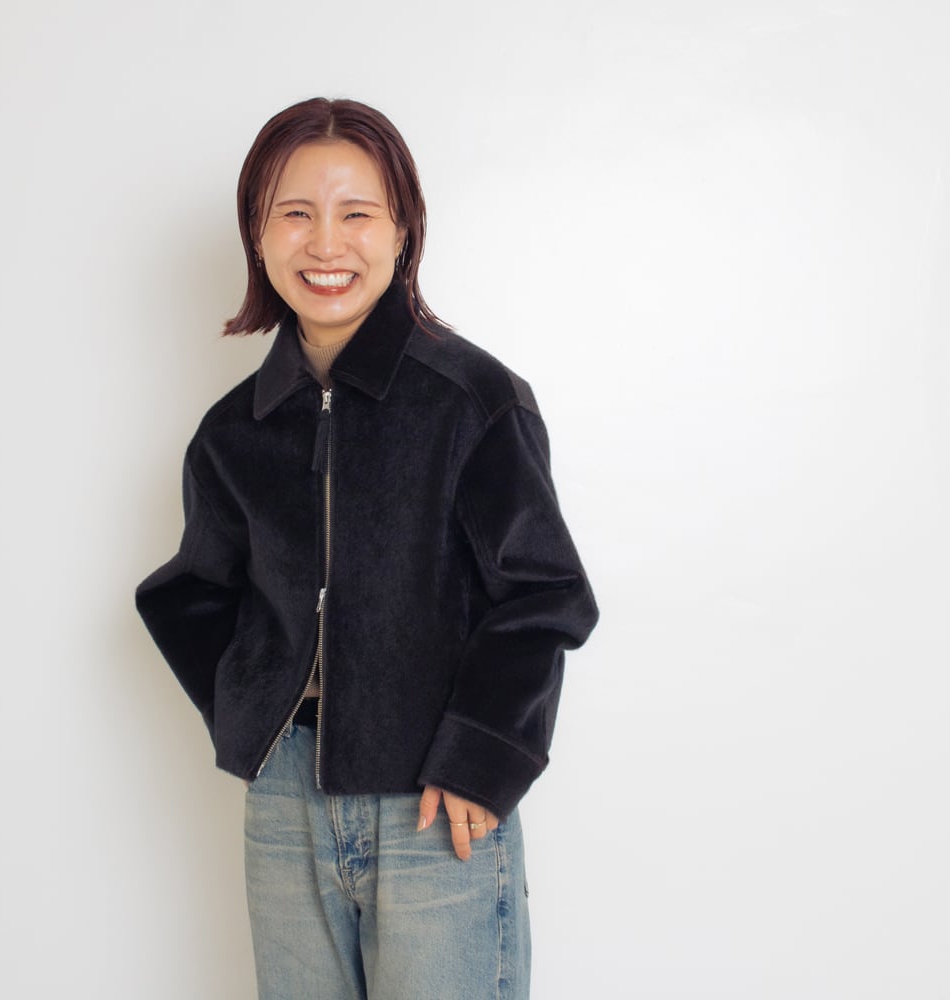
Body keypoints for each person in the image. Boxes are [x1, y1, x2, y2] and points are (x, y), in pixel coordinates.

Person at [135, 97, 598, 1000]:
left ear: (402, 230)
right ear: (257, 233)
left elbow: (544, 594)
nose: (325, 244)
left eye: (356, 214)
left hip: (436, 801)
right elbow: (188, 594)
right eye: (294, 213)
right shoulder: (234, 431)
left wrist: (481, 760)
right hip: (285, 807)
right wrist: (257, 718)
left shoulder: (473, 400)